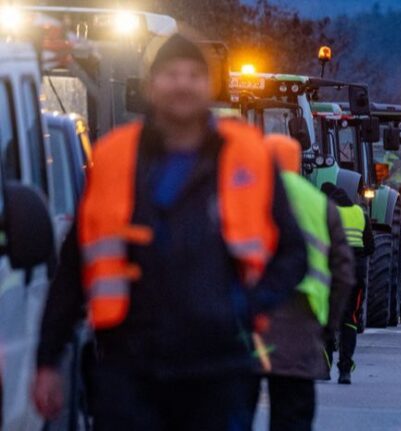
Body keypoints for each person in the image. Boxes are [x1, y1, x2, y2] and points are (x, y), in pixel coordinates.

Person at [33, 34, 307, 430]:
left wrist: (247, 304)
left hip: (219, 367)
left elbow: (293, 253)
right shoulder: (113, 156)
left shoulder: (247, 156)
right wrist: (48, 360)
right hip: (129, 366)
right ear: (150, 85)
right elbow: (75, 268)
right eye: (171, 74)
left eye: (194, 74)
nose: (182, 83)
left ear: (209, 86)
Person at [259, 135, 355, 430]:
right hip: (301, 322)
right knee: (292, 415)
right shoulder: (320, 205)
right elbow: (343, 274)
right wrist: (328, 326)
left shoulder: (243, 193)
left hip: (247, 322)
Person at [322, 183, 375, 384]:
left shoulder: (326, 212)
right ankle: (345, 370)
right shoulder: (360, 213)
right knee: (349, 320)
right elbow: (370, 247)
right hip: (355, 273)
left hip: (331, 272)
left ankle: (324, 366)